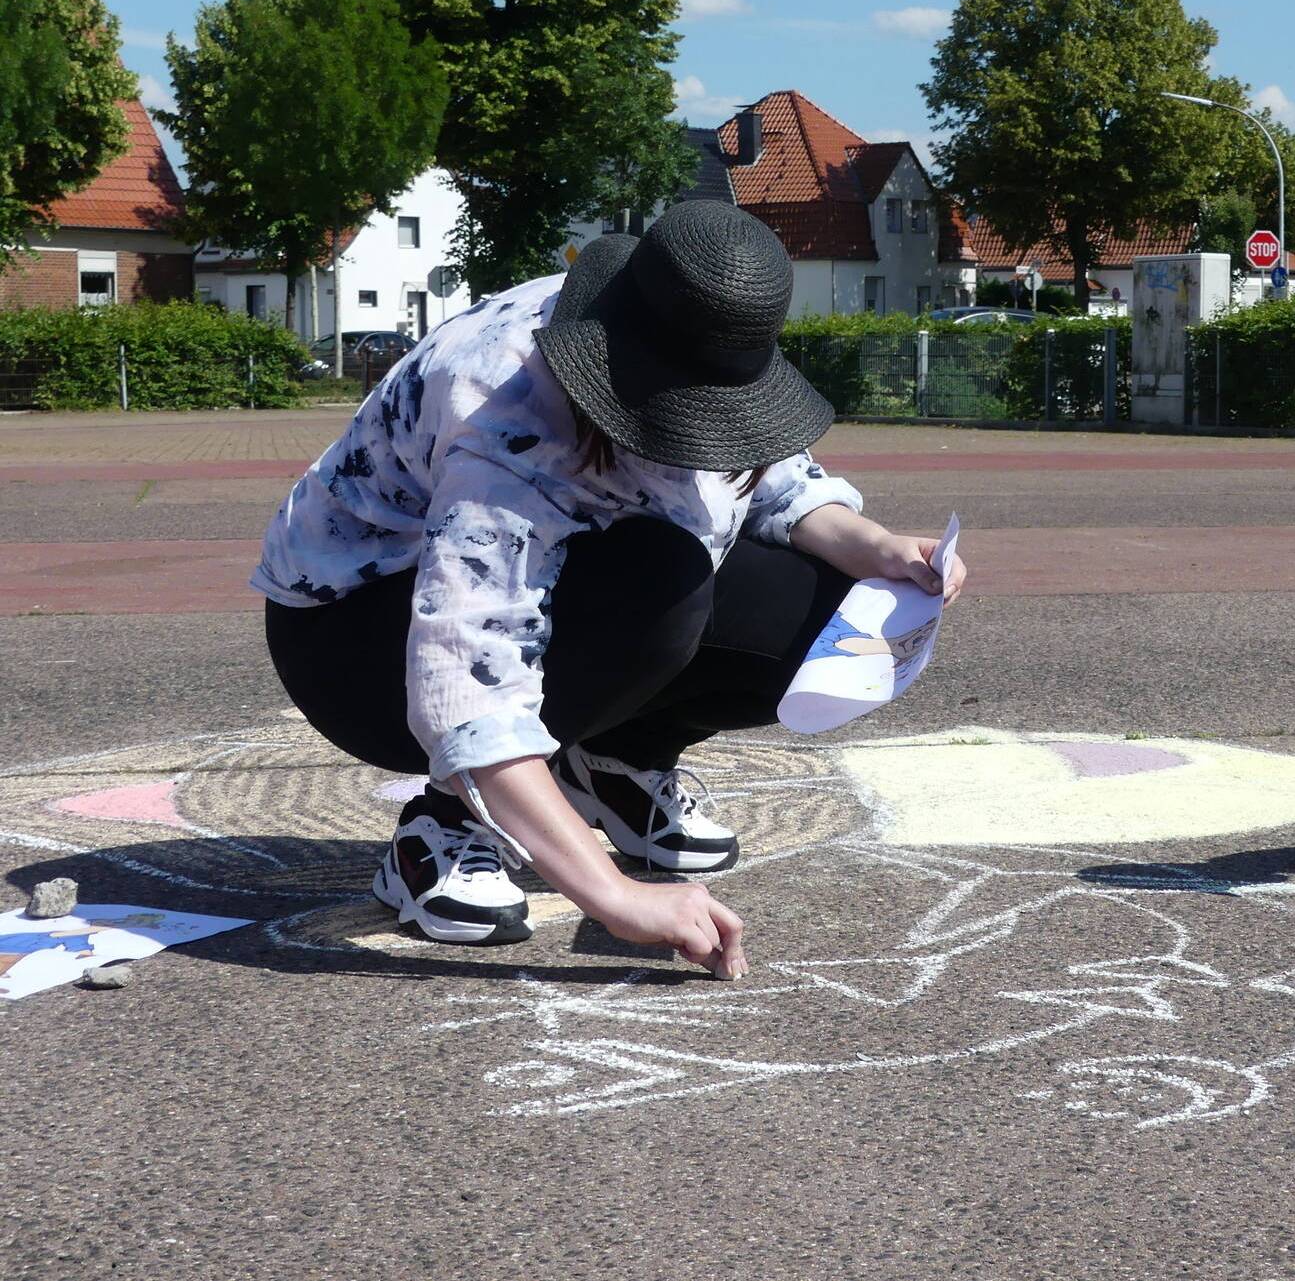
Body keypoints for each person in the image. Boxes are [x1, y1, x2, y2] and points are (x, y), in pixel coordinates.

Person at [254, 201, 965, 975]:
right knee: (660, 584)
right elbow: (464, 687)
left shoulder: (686, 322)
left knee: (830, 607)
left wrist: (879, 547)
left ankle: (614, 763)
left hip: (560, 581)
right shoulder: (507, 418)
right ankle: (446, 825)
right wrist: (617, 897)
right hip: (355, 633)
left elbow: (777, 483)